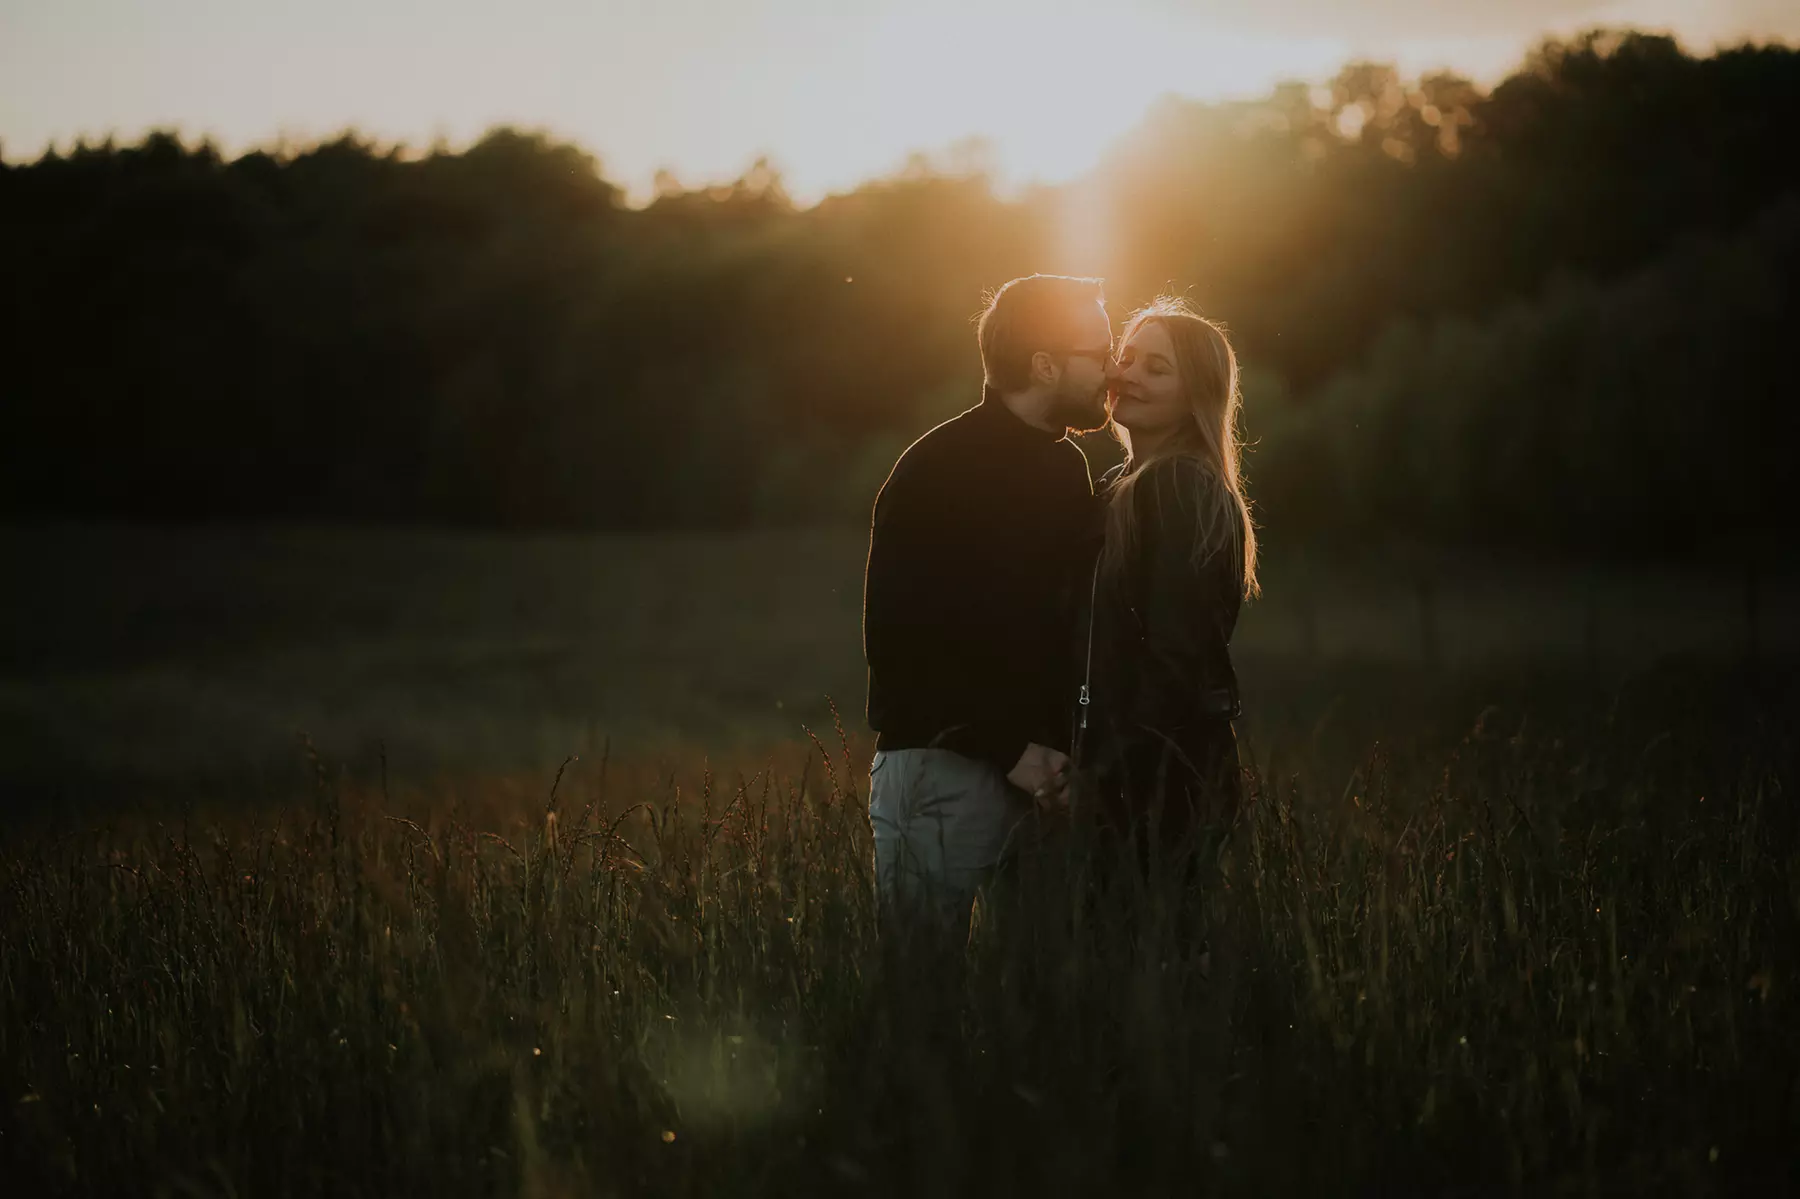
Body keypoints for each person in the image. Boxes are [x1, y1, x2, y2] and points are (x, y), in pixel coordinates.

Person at [863, 274, 1113, 939]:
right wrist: (1007, 749)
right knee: (922, 998)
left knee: (1035, 1007)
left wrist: (1059, 756)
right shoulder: (934, 470)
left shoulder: (1067, 470)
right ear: (1044, 364)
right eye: (1099, 350)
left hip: (1044, 785)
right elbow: (900, 646)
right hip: (941, 775)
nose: (1112, 368)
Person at [1077, 297, 1260, 873]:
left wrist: (1108, 772)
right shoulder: (1122, 483)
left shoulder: (1182, 485)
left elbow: (1175, 655)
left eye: (1157, 369)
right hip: (1129, 767)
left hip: (1162, 774)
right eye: (1126, 357)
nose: (1127, 373)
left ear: (1196, 396)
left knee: (1147, 951)